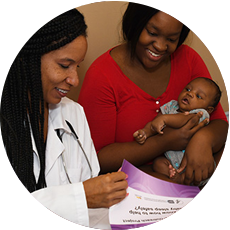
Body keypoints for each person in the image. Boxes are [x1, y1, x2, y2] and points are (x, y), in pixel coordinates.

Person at [78, 1, 229, 206]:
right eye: (152, 32)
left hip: (192, 162)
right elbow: (97, 160)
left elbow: (219, 122)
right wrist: (166, 141)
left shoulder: (188, 59)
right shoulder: (102, 75)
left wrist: (202, 140)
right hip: (137, 173)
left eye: (171, 39)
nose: (160, 46)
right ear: (135, 22)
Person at [0, 2, 127, 229]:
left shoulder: (73, 114)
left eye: (77, 66)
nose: (74, 80)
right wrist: (80, 198)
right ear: (28, 57)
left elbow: (94, 213)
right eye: (64, 65)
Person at [133, 77, 221, 185]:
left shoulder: (201, 114)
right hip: (171, 161)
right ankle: (177, 179)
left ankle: (184, 179)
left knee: (204, 171)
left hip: (194, 162)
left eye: (198, 96)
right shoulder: (171, 106)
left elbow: (183, 120)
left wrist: (165, 119)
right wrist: (146, 132)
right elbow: (156, 122)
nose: (190, 94)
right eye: (188, 89)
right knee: (158, 163)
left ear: (209, 109)